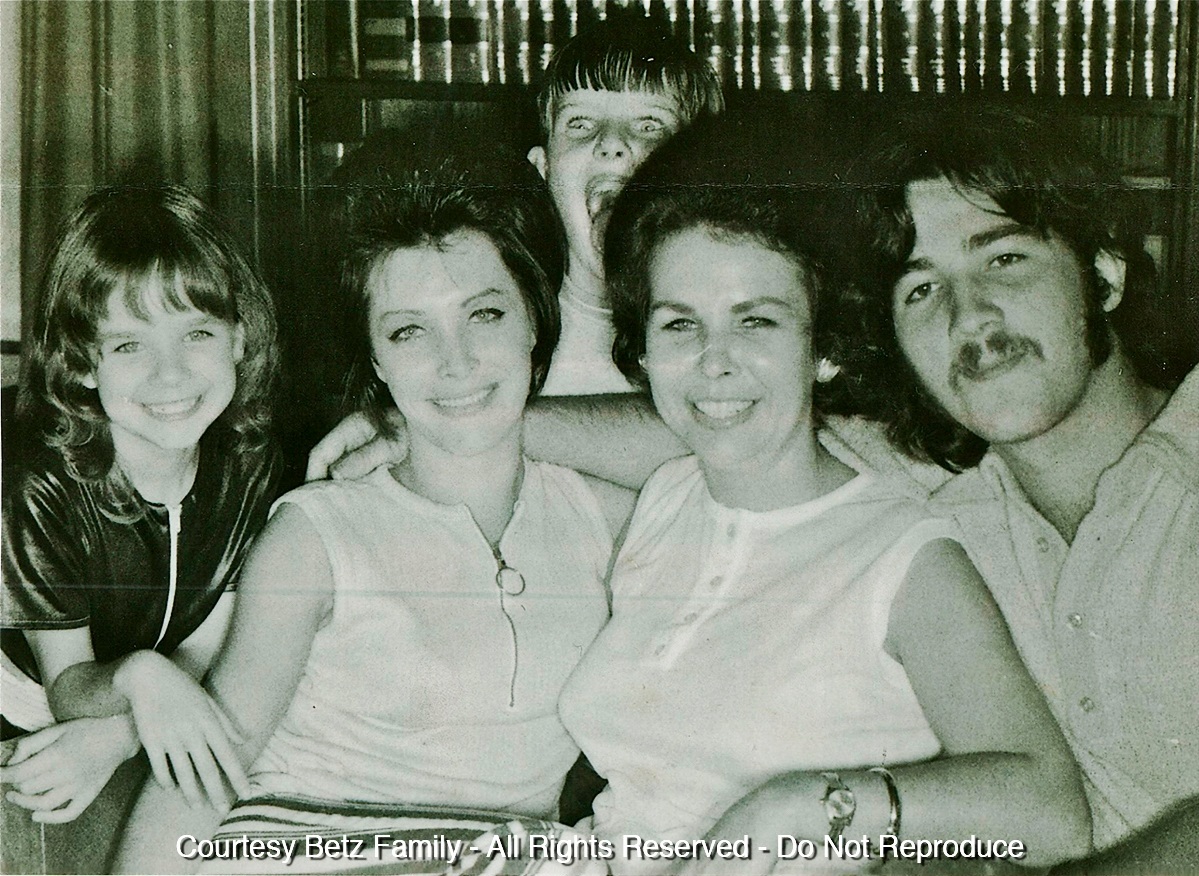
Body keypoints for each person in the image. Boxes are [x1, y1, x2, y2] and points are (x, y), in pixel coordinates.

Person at [554, 120, 1090, 875]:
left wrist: (806, 806)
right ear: (640, 350)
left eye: (756, 321)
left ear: (825, 350)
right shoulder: (672, 494)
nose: (714, 364)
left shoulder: (904, 558)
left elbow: (1051, 814)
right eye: (680, 324)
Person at [113, 154, 635, 874]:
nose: (454, 362)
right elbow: (204, 775)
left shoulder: (601, 514)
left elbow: (757, 443)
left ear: (533, 326)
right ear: (377, 364)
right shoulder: (316, 534)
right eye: (408, 332)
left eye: (483, 314)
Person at [842, 108, 1199, 871]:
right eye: (920, 290)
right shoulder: (930, 495)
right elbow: (730, 422)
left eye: (1001, 260)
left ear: (1102, 276)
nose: (968, 316)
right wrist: (514, 410)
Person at [304, 15, 722, 481]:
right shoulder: (493, 307)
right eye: (580, 123)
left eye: (649, 125)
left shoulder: (736, 313)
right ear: (541, 170)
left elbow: (747, 440)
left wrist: (440, 432)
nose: (611, 144)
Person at [1, 185, 280, 869]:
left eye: (197, 334)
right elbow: (67, 690)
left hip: (145, 704)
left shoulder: (250, 460)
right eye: (128, 345)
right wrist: (139, 683)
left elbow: (218, 644)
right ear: (83, 363)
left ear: (239, 337)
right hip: (25, 696)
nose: (170, 373)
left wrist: (125, 731)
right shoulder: (41, 479)